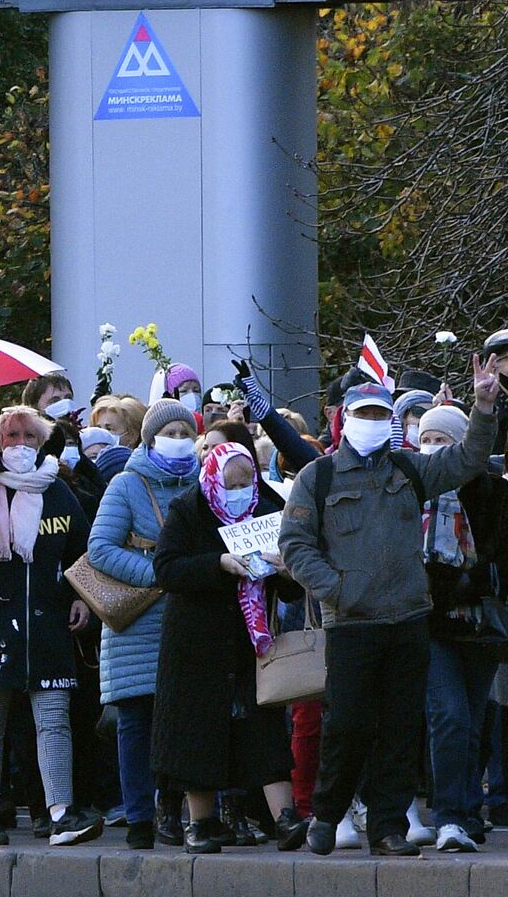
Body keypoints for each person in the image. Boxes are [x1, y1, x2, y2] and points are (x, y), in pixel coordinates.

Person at [284, 363, 500, 857]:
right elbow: (296, 546)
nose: (375, 420)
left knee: (401, 730)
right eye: (365, 413)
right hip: (353, 624)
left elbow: (467, 459)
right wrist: (335, 589)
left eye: (382, 412)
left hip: (407, 619)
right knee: (347, 726)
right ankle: (327, 814)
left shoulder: (409, 469)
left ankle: (387, 828)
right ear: (346, 418)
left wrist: (483, 408)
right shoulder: (318, 477)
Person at [0, 406, 100, 848]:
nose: (21, 444)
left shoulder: (59, 493)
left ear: (44, 442)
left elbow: (83, 554)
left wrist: (82, 599)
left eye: (30, 436)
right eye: (11, 436)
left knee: (54, 721)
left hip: (48, 624)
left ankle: (61, 812)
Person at [152, 441, 306, 854]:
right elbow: (166, 569)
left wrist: (287, 572)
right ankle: (200, 823)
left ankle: (285, 818)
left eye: (246, 480)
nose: (240, 488)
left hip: (250, 641)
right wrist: (218, 563)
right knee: (196, 733)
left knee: (264, 726)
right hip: (195, 644)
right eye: (231, 481)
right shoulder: (190, 508)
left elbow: (289, 584)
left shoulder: (268, 505)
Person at [87, 398, 199, 849]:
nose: (178, 441)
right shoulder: (125, 484)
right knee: (135, 721)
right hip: (138, 619)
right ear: (149, 438)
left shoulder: (204, 480)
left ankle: (173, 808)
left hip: (188, 616)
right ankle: (138, 815)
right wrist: (160, 573)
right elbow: (101, 548)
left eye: (184, 432)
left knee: (181, 720)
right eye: (168, 433)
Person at [410, 404, 508, 853]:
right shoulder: (409, 491)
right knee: (448, 714)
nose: (432, 449)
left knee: (471, 720)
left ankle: (467, 809)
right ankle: (449, 815)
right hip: (430, 621)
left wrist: (479, 577)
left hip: (480, 621)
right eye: (426, 440)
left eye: (442, 440)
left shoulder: (492, 492)